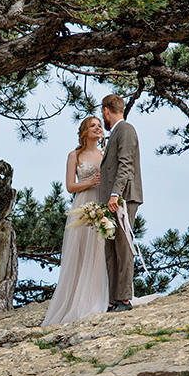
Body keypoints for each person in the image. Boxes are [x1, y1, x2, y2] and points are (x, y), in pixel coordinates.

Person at [42, 116, 110, 325]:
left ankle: (98, 298)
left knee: (99, 250)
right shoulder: (75, 155)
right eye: (93, 125)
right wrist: (89, 182)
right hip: (83, 204)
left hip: (101, 203)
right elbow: (70, 186)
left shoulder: (104, 153)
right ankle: (75, 301)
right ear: (84, 131)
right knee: (81, 250)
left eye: (100, 125)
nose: (98, 128)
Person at [98, 94, 144, 312]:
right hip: (111, 200)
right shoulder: (116, 132)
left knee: (123, 248)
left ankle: (124, 299)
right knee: (111, 249)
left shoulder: (125, 130)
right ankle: (113, 299)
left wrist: (115, 194)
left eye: (102, 113)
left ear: (106, 111)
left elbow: (126, 165)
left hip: (123, 198)